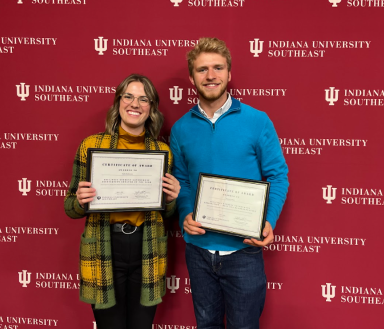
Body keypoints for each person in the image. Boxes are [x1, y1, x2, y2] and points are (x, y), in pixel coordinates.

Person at [170, 37, 289, 329]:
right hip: (198, 251)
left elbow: (278, 175)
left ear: (229, 74)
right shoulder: (181, 128)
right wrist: (185, 213)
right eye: (202, 69)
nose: (211, 75)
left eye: (218, 68)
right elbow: (182, 180)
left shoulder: (257, 121)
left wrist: (268, 220)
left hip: (244, 251)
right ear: (191, 77)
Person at [64, 74, 180, 329]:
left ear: (151, 108)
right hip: (104, 248)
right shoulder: (91, 146)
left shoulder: (162, 152)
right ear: (118, 103)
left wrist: (172, 198)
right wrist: (80, 201)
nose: (134, 104)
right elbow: (69, 207)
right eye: (128, 96)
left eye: (143, 98)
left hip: (147, 247)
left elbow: (168, 212)